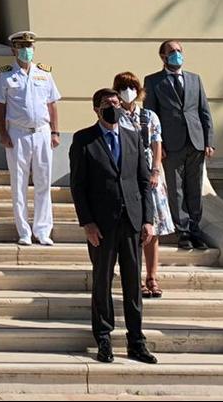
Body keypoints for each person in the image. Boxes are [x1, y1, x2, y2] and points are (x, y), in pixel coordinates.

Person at [70, 89, 156, 365]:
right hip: (102, 225)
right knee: (103, 281)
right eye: (107, 104)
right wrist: (87, 223)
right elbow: (78, 186)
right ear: (96, 109)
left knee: (133, 283)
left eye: (117, 103)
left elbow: (144, 182)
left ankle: (136, 341)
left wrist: (148, 219)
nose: (113, 107)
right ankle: (104, 338)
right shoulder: (84, 139)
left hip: (131, 221)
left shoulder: (133, 137)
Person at [144, 40, 215, 251]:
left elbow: (204, 111)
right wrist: (157, 144)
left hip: (196, 141)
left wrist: (209, 141)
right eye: (172, 51)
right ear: (163, 57)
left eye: (179, 51)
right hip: (171, 143)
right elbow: (151, 115)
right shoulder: (154, 81)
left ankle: (195, 228)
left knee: (194, 188)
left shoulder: (194, 79)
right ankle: (182, 230)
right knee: (176, 189)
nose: (176, 54)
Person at [0, 30, 60, 246]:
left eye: (29, 47)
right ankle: (23, 230)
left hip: (41, 131)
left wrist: (55, 132)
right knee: (19, 182)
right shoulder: (5, 74)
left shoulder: (45, 73)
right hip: (17, 133)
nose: (26, 51)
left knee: (43, 182)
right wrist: (3, 133)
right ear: (14, 49)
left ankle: (42, 230)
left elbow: (52, 104)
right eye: (22, 47)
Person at [114, 71, 173, 299]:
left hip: (149, 171)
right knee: (131, 228)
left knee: (152, 227)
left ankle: (152, 276)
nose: (127, 91)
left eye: (131, 86)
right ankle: (134, 277)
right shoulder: (116, 116)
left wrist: (156, 171)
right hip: (127, 172)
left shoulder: (149, 116)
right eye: (122, 86)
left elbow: (157, 145)